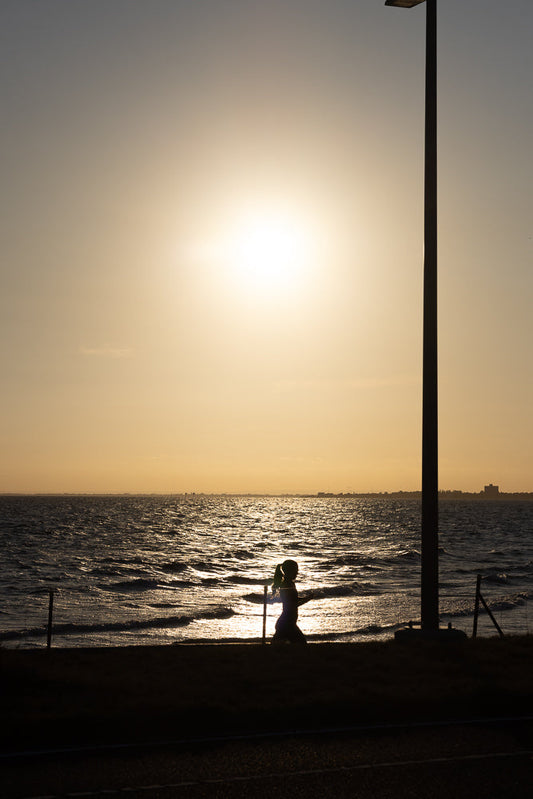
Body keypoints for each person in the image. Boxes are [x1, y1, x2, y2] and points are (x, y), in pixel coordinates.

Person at [271, 559, 312, 644]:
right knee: (301, 644)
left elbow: (293, 600)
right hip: (287, 624)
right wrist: (308, 599)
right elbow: (293, 604)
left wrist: (308, 597)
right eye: (295, 571)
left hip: (288, 623)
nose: (297, 573)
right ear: (290, 571)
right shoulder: (286, 584)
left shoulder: (290, 583)